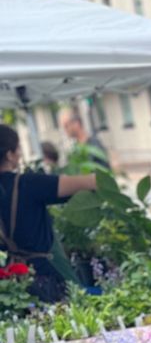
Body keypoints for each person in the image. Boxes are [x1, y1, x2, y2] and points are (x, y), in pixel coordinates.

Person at [0, 125, 96, 301]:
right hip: (46, 275)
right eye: (18, 149)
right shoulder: (27, 184)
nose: (20, 154)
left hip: (11, 278)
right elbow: (89, 183)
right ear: (9, 155)